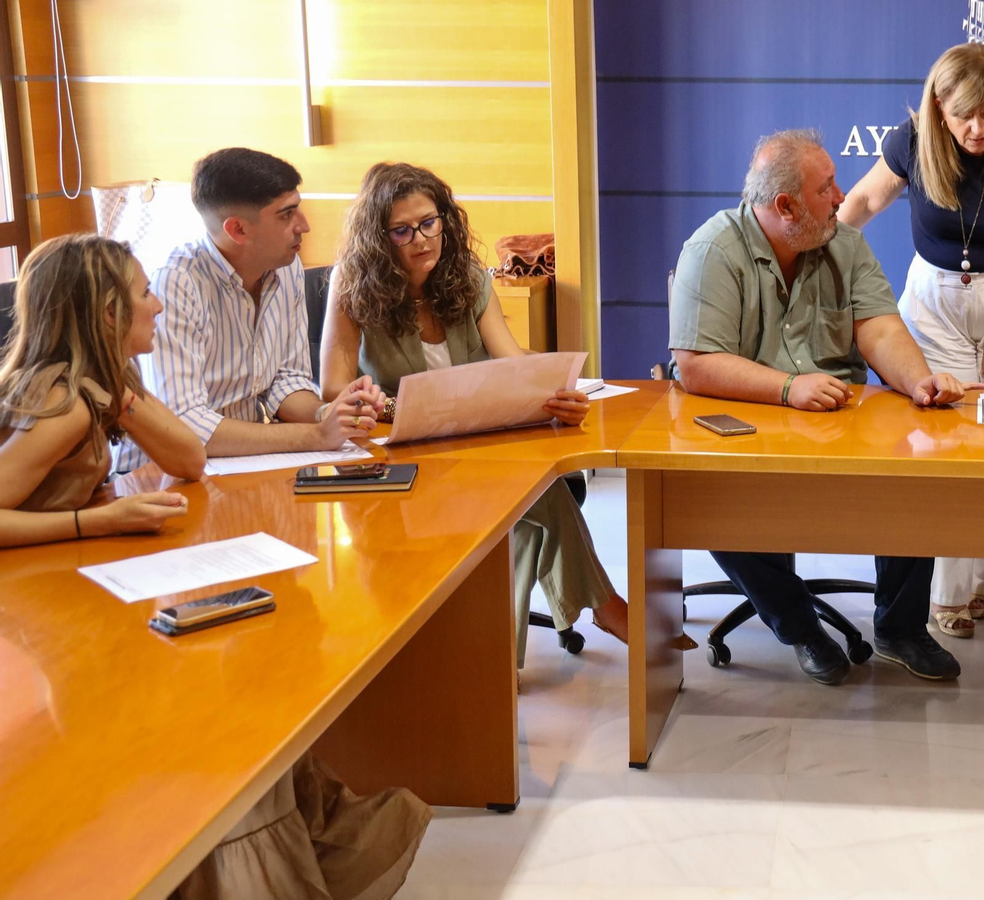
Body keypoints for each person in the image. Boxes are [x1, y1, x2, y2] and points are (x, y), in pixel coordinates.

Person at [670, 128, 975, 685]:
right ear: (784, 205)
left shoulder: (845, 243)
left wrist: (919, 382)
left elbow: (880, 328)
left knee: (917, 475)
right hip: (748, 420)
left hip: (836, 420)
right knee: (710, 499)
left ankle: (900, 628)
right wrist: (789, 387)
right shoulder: (713, 249)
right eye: (826, 187)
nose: (841, 196)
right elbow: (695, 364)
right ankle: (798, 624)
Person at [320, 161, 627, 665]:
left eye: (429, 221)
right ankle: (599, 608)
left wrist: (560, 391)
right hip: (402, 447)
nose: (421, 239)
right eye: (402, 230)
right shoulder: (352, 285)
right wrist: (385, 402)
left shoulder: (465, 278)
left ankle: (503, 664)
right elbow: (333, 384)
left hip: (470, 442)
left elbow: (511, 361)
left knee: (539, 489)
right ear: (379, 237)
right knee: (538, 500)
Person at [840, 42, 984, 637]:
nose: (979, 127)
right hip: (930, 300)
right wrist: (812, 247)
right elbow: (860, 201)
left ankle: (982, 582)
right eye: (966, 114)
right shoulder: (910, 141)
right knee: (939, 439)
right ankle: (945, 594)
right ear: (938, 106)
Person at [115, 147, 383, 473]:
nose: (304, 225)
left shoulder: (286, 266)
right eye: (287, 214)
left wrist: (326, 414)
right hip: (159, 476)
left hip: (244, 464)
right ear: (237, 230)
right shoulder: (177, 281)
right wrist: (313, 435)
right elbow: (187, 424)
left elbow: (286, 380)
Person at [1, 234, 205, 547]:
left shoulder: (102, 382)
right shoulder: (66, 404)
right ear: (111, 314)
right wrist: (100, 522)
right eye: (146, 293)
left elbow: (190, 460)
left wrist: (115, 392)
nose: (159, 306)